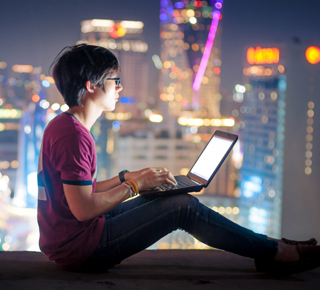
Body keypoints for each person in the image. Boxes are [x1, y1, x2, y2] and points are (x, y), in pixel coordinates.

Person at [37, 44, 320, 276]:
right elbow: (84, 209)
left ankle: (269, 245)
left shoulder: (63, 126)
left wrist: (129, 178)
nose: (120, 88)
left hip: (71, 238)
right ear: (91, 86)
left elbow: (80, 192)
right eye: (115, 81)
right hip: (81, 247)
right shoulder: (74, 136)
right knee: (182, 208)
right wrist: (134, 185)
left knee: (162, 198)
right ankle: (277, 254)